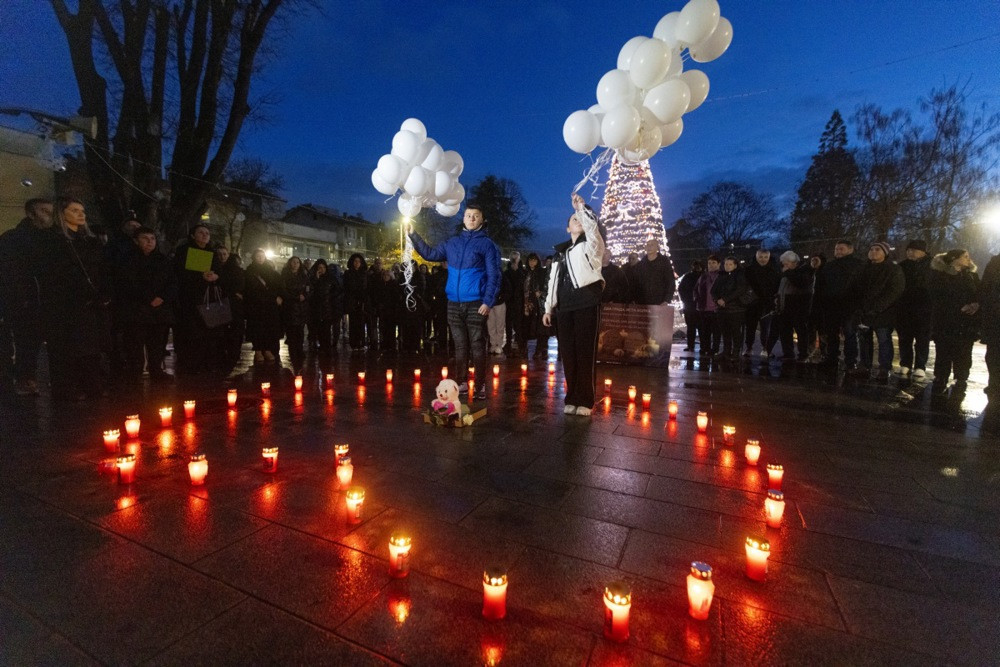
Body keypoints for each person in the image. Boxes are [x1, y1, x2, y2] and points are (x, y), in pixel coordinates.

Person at [408, 202, 502, 401]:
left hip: (476, 303)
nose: (471, 219)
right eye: (468, 215)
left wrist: (488, 301)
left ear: (482, 220)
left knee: (477, 344)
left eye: (476, 216)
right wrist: (413, 234)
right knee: (459, 345)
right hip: (453, 303)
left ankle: (479, 385)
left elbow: (495, 276)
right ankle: (461, 383)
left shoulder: (487, 245)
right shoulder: (453, 243)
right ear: (463, 218)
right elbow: (430, 254)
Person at [37, 197, 110, 400]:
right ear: (62, 213)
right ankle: (68, 389)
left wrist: (103, 293)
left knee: (90, 348)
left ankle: (92, 385)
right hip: (65, 304)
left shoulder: (90, 241)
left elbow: (103, 270)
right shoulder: (53, 240)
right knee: (67, 348)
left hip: (91, 303)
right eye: (75, 210)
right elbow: (51, 273)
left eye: (82, 210)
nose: (81, 214)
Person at [543, 193, 605, 416]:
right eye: (573, 219)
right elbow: (552, 282)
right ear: (567, 228)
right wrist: (548, 308)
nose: (576, 221)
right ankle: (572, 397)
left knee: (585, 353)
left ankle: (586, 401)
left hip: (586, 302)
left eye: (578, 219)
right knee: (568, 354)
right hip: (565, 308)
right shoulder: (560, 254)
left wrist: (581, 209)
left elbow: (594, 233)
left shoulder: (590, 246)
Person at [0, 198, 54, 395]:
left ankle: (29, 377)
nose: (48, 215)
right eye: (44, 211)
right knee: (24, 340)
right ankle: (23, 379)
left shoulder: (51, 238)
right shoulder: (13, 239)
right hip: (22, 299)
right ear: (31, 213)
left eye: (50, 211)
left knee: (36, 340)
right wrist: (20, 295)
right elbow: (10, 270)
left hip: (44, 298)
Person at [116, 226, 176, 382]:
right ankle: (135, 371)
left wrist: (162, 297)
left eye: (152, 239)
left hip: (159, 310)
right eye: (145, 239)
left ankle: (156, 369)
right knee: (135, 344)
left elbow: (172, 282)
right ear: (136, 241)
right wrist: (148, 297)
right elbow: (126, 283)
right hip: (137, 309)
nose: (150, 242)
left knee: (156, 343)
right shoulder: (127, 260)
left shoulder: (163, 260)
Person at [171, 224, 222, 374]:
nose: (205, 235)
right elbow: (179, 273)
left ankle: (208, 363)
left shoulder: (212, 252)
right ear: (193, 235)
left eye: (207, 233)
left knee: (210, 332)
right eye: (201, 232)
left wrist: (216, 276)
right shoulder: (184, 251)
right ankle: (191, 364)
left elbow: (219, 271)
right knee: (192, 333)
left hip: (208, 298)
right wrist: (200, 276)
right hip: (190, 298)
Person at [929, 249, 979, 395]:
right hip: (945, 319)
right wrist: (958, 307)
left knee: (964, 351)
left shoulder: (972, 276)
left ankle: (961, 377)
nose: (969, 259)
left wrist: (975, 304)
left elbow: (979, 294)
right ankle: (941, 377)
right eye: (965, 256)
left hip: (966, 321)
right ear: (953, 259)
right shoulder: (940, 275)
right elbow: (936, 297)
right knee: (944, 350)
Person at [852, 242, 904, 380]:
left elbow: (894, 291)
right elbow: (855, 289)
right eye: (871, 249)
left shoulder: (893, 269)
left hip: (883, 313)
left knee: (884, 340)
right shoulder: (863, 269)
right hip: (864, 311)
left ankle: (884, 368)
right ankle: (864, 365)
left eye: (877, 249)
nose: (873, 252)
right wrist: (859, 307)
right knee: (864, 340)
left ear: (885, 253)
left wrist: (878, 307)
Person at [817, 240, 865, 369]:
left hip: (849, 306)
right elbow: (821, 285)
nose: (838, 251)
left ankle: (850, 361)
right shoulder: (829, 266)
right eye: (836, 249)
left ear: (850, 250)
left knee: (849, 334)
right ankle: (832, 358)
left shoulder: (858, 265)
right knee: (831, 334)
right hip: (831, 305)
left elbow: (861, 286)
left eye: (841, 249)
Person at [766, 251, 813, 361]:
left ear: (793, 262)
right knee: (785, 331)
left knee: (801, 331)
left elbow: (802, 283)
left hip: (798, 307)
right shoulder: (786, 272)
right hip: (784, 306)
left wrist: (788, 273)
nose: (784, 266)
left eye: (786, 263)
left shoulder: (804, 270)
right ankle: (788, 352)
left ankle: (803, 354)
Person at [896, 240, 933, 379]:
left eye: (914, 250)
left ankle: (920, 366)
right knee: (905, 337)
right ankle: (905, 363)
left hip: (925, 308)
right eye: (908, 250)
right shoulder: (903, 266)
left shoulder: (932, 265)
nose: (910, 253)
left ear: (923, 251)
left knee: (922, 339)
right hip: (905, 308)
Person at [244, 249, 283, 363]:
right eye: (258, 256)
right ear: (254, 258)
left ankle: (267, 349)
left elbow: (276, 286)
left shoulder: (270, 271)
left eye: (262, 256)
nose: (260, 258)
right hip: (255, 304)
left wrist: (277, 296)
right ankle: (258, 350)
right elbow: (248, 288)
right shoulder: (249, 271)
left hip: (269, 305)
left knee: (268, 327)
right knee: (256, 328)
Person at [712, 256, 750, 361]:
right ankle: (726, 350)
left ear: (735, 265)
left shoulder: (739, 275)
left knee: (735, 331)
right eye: (726, 264)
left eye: (730, 264)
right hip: (721, 309)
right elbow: (713, 290)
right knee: (725, 331)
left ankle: (736, 352)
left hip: (736, 309)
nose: (727, 266)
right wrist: (717, 300)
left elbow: (740, 290)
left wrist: (725, 299)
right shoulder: (721, 276)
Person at [743, 249, 780, 357]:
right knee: (750, 327)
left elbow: (777, 286)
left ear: (769, 257)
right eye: (760, 257)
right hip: (752, 303)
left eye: (765, 257)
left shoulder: (775, 270)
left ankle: (766, 348)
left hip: (767, 303)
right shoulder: (749, 270)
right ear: (756, 256)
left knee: (765, 328)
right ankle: (749, 347)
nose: (763, 259)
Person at [215, 247, 246, 369]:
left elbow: (239, 285)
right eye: (219, 254)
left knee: (234, 331)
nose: (222, 256)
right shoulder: (214, 267)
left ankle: (233, 355)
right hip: (218, 303)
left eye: (224, 254)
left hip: (233, 305)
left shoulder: (235, 270)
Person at [281, 256, 309, 370]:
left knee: (300, 332)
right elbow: (283, 291)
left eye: (298, 262)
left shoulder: (303, 276)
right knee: (292, 332)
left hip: (302, 308)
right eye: (293, 262)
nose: (295, 264)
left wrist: (305, 296)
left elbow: (308, 288)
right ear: (290, 263)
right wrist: (295, 297)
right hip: (290, 308)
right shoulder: (285, 276)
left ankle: (299, 350)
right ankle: (293, 353)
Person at [979, 252, 1000, 397]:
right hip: (995, 315)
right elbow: (985, 287)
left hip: (994, 313)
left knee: (993, 352)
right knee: (993, 352)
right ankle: (994, 382)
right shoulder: (994, 263)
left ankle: (994, 383)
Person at [523, 252, 551, 359]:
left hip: (540, 303)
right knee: (527, 326)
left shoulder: (542, 272)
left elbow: (548, 285)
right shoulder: (526, 273)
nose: (532, 262)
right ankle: (525, 348)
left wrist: (542, 293)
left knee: (541, 327)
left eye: (534, 260)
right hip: (527, 304)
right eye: (530, 260)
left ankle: (540, 349)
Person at [693, 255, 722, 356]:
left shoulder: (722, 276)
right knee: (704, 330)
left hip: (716, 309)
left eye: (714, 263)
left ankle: (715, 349)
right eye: (709, 263)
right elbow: (696, 289)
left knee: (716, 331)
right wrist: (696, 298)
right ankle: (704, 347)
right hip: (703, 308)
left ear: (719, 264)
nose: (711, 265)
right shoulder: (703, 276)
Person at [633, 239, 676, 305]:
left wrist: (666, 300)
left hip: (660, 302)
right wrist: (636, 300)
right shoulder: (640, 264)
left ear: (657, 247)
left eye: (652, 245)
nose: (649, 247)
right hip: (643, 303)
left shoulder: (664, 262)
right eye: (648, 245)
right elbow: (636, 283)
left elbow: (670, 281)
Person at [677, 260, 704, 352]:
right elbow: (681, 289)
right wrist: (686, 300)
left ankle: (701, 346)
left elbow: (681, 289)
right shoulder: (688, 276)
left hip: (698, 306)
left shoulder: (704, 276)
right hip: (691, 305)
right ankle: (692, 345)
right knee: (693, 327)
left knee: (699, 327)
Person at [343, 254, 369, 350]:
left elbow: (366, 287)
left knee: (361, 323)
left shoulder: (364, 273)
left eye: (358, 261)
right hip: (352, 301)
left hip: (362, 301)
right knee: (353, 323)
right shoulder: (348, 273)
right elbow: (346, 287)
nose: (357, 263)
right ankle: (353, 343)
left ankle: (361, 343)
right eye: (355, 261)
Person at [503, 251, 526, 353]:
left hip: (519, 301)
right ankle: (508, 342)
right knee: (508, 323)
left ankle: (519, 342)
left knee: (519, 323)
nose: (514, 259)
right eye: (513, 257)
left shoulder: (523, 273)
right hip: (509, 301)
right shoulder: (506, 273)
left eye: (516, 257)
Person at [487, 267, 511, 355]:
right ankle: (493, 344)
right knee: (491, 325)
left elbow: (508, 290)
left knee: (500, 325)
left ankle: (499, 345)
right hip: (490, 304)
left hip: (499, 303)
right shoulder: (487, 276)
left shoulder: (503, 277)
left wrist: (502, 298)